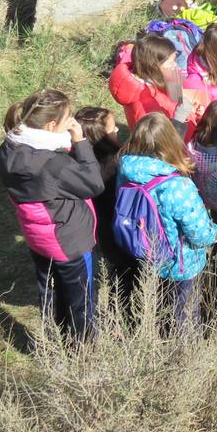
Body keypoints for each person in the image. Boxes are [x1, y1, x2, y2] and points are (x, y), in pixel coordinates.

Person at [0, 90, 103, 340]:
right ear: (52, 124)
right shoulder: (54, 164)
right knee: (82, 298)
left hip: (38, 237)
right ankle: (83, 350)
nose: (71, 122)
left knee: (50, 292)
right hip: (69, 240)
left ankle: (54, 341)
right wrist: (80, 142)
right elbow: (94, 184)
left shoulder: (9, 148)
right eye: (68, 118)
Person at [119, 112, 217, 325]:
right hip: (181, 263)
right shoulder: (177, 185)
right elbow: (199, 234)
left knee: (161, 306)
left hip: (146, 252)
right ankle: (184, 352)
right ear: (171, 141)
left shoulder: (127, 172)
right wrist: (215, 232)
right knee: (185, 313)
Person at [74, 106, 136, 310]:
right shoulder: (115, 163)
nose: (117, 130)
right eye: (112, 129)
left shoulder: (79, 159)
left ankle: (117, 309)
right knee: (128, 273)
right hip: (119, 227)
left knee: (119, 270)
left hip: (98, 227)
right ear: (100, 135)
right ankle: (122, 314)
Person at [109, 33, 202, 137]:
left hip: (187, 135)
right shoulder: (143, 105)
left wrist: (191, 111)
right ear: (154, 66)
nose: (176, 66)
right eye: (171, 62)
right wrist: (180, 117)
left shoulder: (160, 78)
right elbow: (159, 145)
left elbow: (178, 100)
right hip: (177, 145)